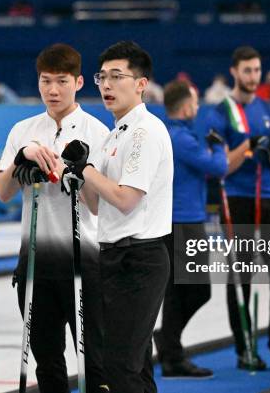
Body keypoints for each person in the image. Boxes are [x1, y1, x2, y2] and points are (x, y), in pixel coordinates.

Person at [0, 43, 109, 393]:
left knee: (94, 362)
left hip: (84, 261)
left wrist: (77, 171)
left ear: (78, 82)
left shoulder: (97, 132)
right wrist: (20, 159)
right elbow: (3, 193)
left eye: (61, 81)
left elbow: (97, 206)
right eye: (46, 81)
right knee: (47, 363)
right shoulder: (22, 130)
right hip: (35, 262)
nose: (52, 90)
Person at [62, 40, 173, 393]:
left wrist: (87, 170)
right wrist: (76, 174)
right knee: (133, 365)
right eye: (102, 77)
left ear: (141, 83)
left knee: (121, 366)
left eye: (116, 76)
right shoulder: (115, 134)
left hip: (139, 258)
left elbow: (126, 200)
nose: (106, 85)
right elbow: (97, 205)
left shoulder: (143, 132)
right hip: (114, 256)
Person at [203, 45, 270, 370]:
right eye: (247, 71)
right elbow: (220, 167)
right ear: (235, 72)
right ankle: (244, 349)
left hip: (268, 197)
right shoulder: (221, 113)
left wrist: (268, 147)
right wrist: (246, 145)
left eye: (257, 70)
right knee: (242, 278)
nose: (253, 76)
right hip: (235, 200)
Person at [153, 80, 227, 379]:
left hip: (177, 220)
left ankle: (169, 345)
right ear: (185, 107)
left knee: (180, 290)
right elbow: (218, 169)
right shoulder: (181, 139)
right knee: (195, 290)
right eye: (195, 103)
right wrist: (219, 147)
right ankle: (170, 348)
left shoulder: (170, 134)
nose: (197, 108)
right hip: (185, 221)